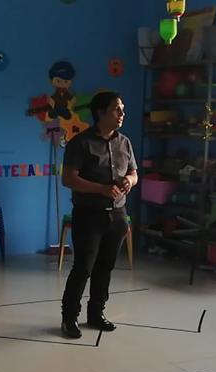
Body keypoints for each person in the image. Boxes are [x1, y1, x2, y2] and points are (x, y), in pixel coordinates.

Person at [60, 91, 138, 339]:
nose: (122, 113)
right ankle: (69, 318)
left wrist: (129, 181)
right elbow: (68, 179)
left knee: (106, 266)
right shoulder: (80, 143)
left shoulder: (125, 142)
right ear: (100, 112)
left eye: (122, 108)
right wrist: (100, 189)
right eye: (117, 109)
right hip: (89, 215)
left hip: (118, 215)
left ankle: (96, 313)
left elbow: (134, 173)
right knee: (84, 267)